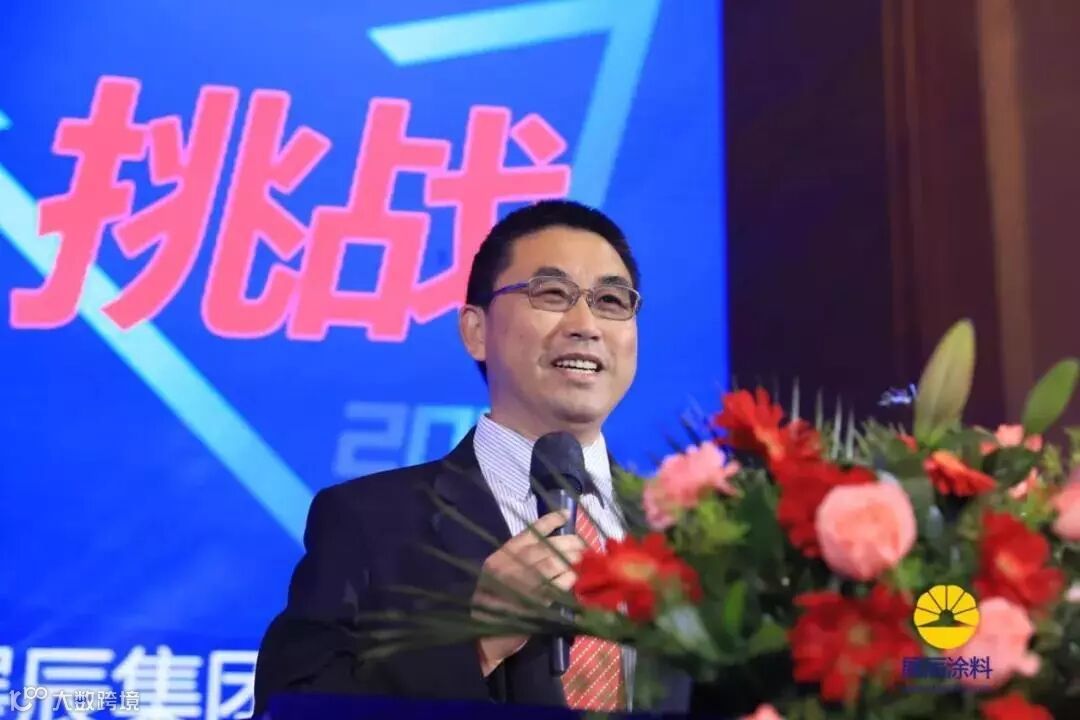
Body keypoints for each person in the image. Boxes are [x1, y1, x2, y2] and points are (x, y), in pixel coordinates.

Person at [253, 199, 685, 715]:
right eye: (552, 293)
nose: (586, 324)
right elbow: (296, 706)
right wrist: (476, 641)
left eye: (611, 301)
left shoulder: (687, 532)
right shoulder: (368, 522)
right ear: (476, 331)